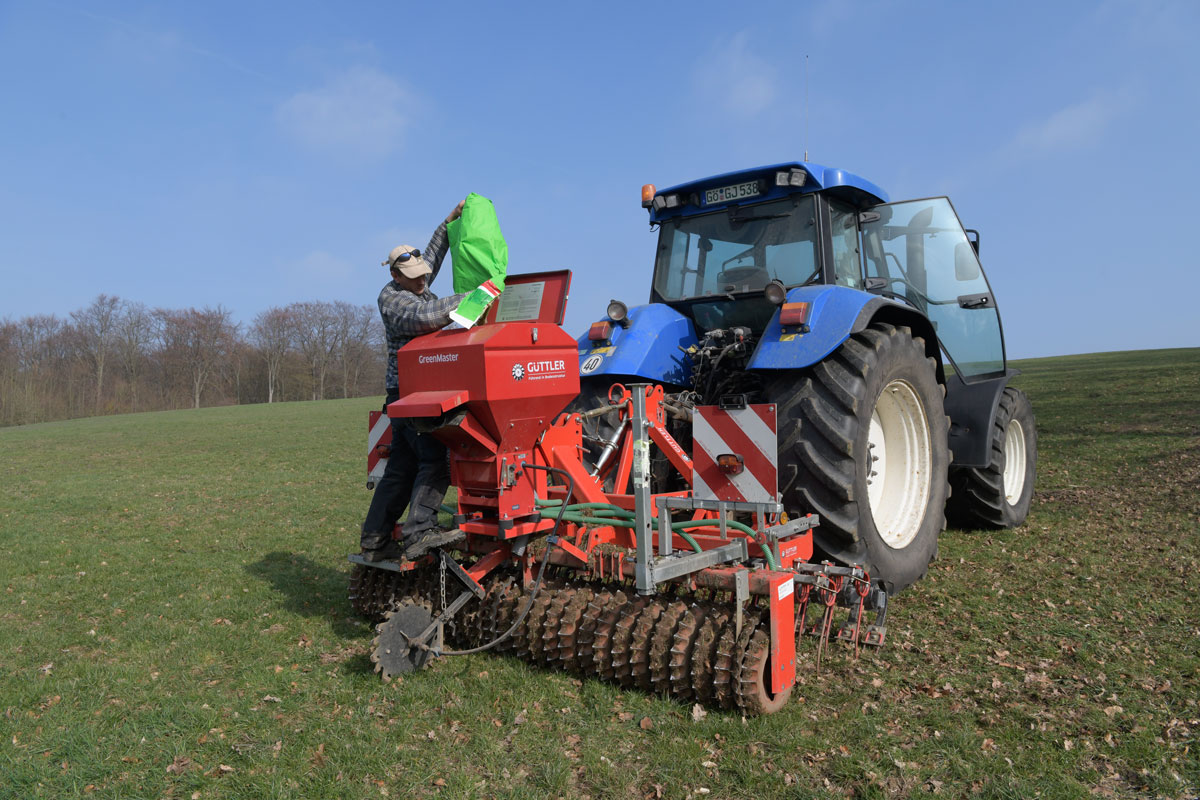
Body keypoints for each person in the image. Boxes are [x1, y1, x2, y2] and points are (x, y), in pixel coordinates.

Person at [360, 199, 468, 562]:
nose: (424, 280)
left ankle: (375, 540)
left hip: (413, 395)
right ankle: (420, 532)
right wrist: (475, 298)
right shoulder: (393, 300)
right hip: (408, 396)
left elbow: (432, 261)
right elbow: (426, 317)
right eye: (415, 276)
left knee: (401, 470)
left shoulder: (414, 283)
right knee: (435, 462)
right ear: (395, 276)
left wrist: (447, 224)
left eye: (424, 274)